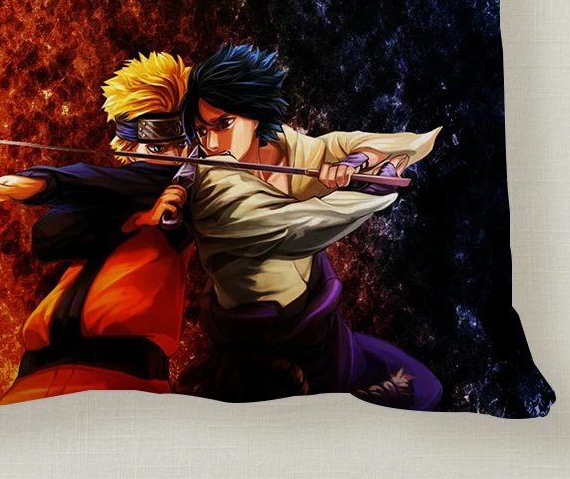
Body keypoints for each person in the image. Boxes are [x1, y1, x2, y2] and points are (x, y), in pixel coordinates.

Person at [175, 43, 443, 409]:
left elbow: (368, 145)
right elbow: (299, 227)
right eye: (202, 130)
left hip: (319, 329)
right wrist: (372, 189)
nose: (211, 142)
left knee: (422, 388)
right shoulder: (213, 186)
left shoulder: (284, 145)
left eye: (224, 123)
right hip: (257, 346)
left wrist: (358, 159)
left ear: (255, 115)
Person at [0, 52, 194, 404]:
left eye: (183, 145)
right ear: (129, 149)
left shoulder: (188, 193)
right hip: (34, 378)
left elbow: (143, 179)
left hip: (123, 380)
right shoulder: (115, 196)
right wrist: (126, 219)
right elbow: (47, 238)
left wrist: (43, 183)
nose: (174, 158)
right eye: (159, 146)